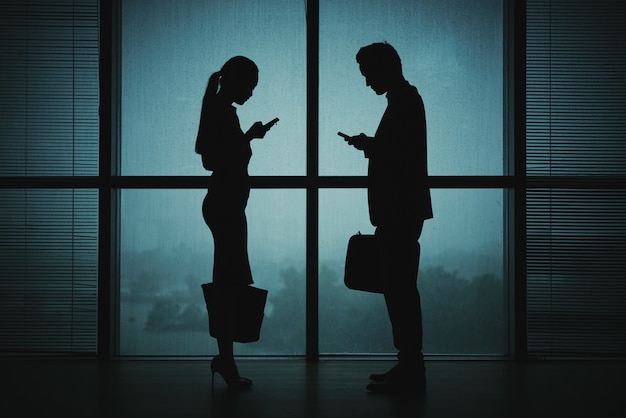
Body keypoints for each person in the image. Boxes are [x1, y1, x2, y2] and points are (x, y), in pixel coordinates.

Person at [340, 42, 433, 393]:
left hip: (399, 210)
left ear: (385, 67)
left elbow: (399, 157)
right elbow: (403, 153)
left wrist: (371, 146)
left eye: (368, 74)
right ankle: (409, 365)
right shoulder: (405, 101)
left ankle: (410, 367)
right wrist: (373, 146)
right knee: (400, 288)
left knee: (399, 290)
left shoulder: (404, 103)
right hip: (403, 210)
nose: (366, 83)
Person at [195, 56, 278, 390]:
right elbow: (215, 158)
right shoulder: (223, 112)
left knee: (228, 283)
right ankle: (225, 361)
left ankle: (225, 359)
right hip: (227, 206)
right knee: (229, 285)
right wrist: (249, 138)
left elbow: (209, 154)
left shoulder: (217, 108)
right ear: (236, 81)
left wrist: (246, 137)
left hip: (224, 204)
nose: (251, 94)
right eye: (249, 86)